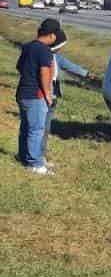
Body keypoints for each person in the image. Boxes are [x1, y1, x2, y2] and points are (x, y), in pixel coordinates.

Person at [14, 19, 60, 175]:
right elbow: (45, 72)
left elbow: (19, 66)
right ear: (52, 35)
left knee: (25, 127)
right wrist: (48, 94)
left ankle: (24, 156)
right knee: (36, 129)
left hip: (22, 93)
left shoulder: (28, 47)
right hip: (36, 95)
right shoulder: (44, 50)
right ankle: (35, 164)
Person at [44, 32, 91, 165]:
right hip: (47, 94)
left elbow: (71, 66)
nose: (62, 48)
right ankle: (38, 155)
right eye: (61, 45)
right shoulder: (49, 56)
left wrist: (86, 74)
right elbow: (69, 66)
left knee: (44, 125)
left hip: (51, 93)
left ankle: (39, 153)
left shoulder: (53, 56)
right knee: (42, 126)